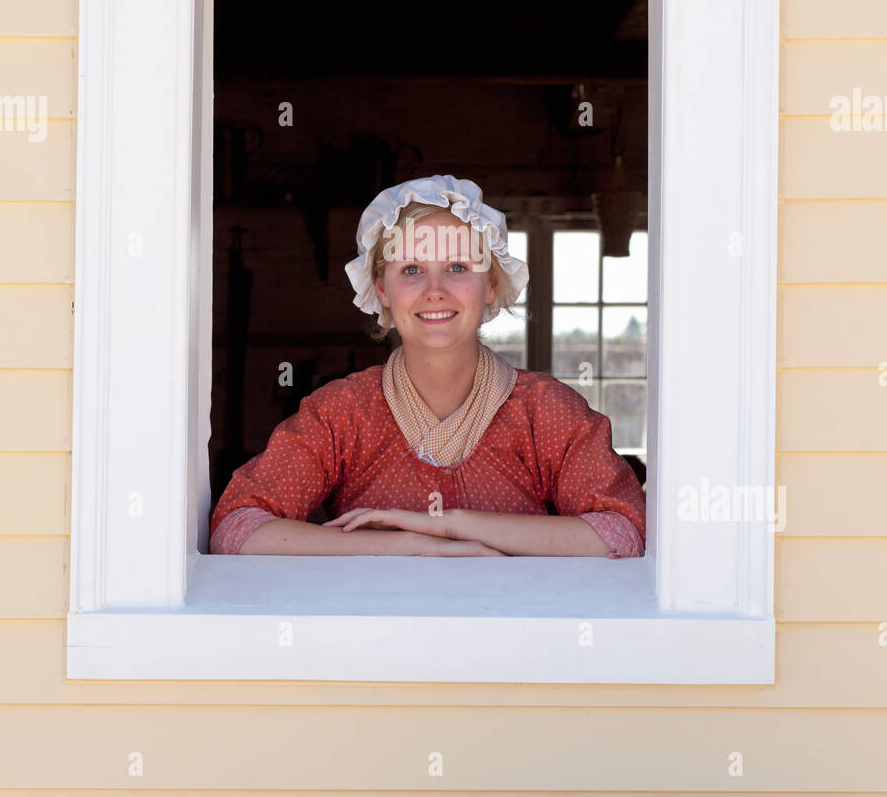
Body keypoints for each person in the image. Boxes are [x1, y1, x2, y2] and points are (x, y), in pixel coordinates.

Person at [209, 174, 646, 557]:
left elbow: (621, 533)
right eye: (412, 269)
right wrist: (410, 544)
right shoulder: (342, 413)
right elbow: (237, 529)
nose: (434, 290)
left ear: (491, 284)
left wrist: (450, 524)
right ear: (381, 287)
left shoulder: (546, 412)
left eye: (457, 266)